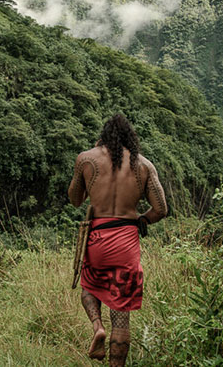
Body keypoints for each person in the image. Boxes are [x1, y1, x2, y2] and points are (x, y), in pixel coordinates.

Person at [68, 113, 168, 366]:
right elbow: (160, 209)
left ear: (104, 136)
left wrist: (83, 176)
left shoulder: (86, 159)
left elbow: (75, 199)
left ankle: (97, 326)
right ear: (130, 139)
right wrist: (142, 220)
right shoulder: (144, 165)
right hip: (126, 241)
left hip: (98, 239)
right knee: (121, 316)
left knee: (89, 288)